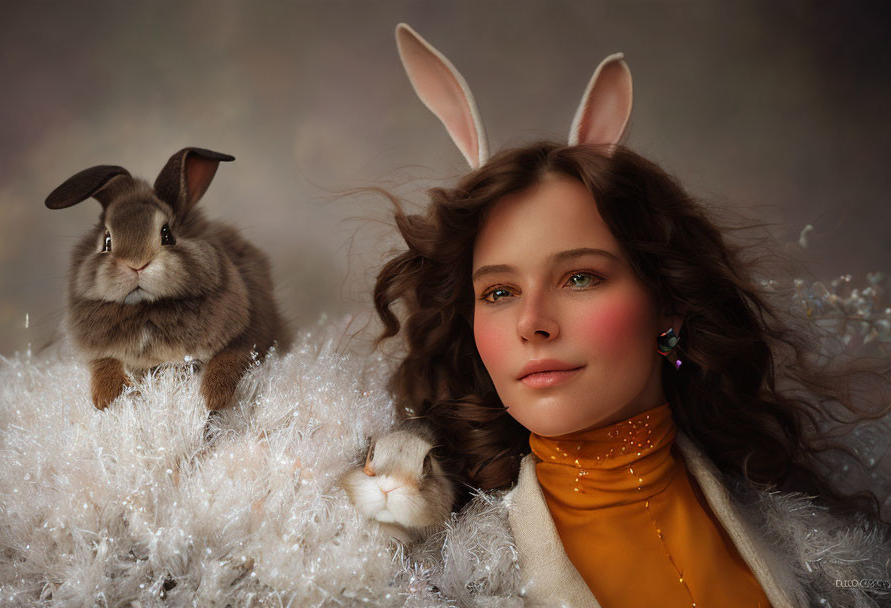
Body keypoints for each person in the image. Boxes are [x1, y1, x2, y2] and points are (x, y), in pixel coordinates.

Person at [358, 24, 891, 607]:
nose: (532, 323)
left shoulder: (823, 560)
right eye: (499, 292)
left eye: (580, 278)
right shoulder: (427, 578)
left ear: (669, 306)